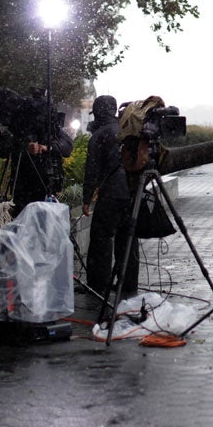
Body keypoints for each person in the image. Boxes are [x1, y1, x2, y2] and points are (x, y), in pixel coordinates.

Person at [82, 94, 137, 298]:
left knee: (101, 238)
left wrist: (86, 200)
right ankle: (129, 284)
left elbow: (92, 170)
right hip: (131, 192)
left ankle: (98, 285)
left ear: (97, 112)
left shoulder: (99, 135)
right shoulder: (126, 131)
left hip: (111, 194)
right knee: (127, 238)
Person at [0, 88, 73, 217]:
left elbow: (67, 147)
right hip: (23, 187)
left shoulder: (52, 129)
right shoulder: (17, 129)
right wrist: (24, 147)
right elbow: (2, 149)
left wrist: (48, 147)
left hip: (47, 186)